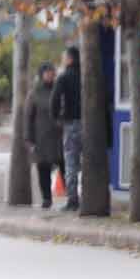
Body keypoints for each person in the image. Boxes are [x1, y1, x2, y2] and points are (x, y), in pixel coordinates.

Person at [21, 62, 63, 208]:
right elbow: (28, 117)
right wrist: (28, 138)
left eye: (53, 72)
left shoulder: (59, 89)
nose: (51, 75)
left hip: (59, 136)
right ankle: (46, 198)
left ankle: (72, 197)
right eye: (48, 72)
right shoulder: (34, 93)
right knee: (43, 168)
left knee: (64, 165)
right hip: (41, 137)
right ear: (42, 74)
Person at [56, 46, 87, 212]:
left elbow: (55, 99)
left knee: (71, 162)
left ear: (69, 59)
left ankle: (73, 199)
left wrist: (57, 118)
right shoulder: (86, 75)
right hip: (89, 124)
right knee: (88, 161)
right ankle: (88, 195)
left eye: (64, 57)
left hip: (70, 124)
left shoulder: (64, 77)